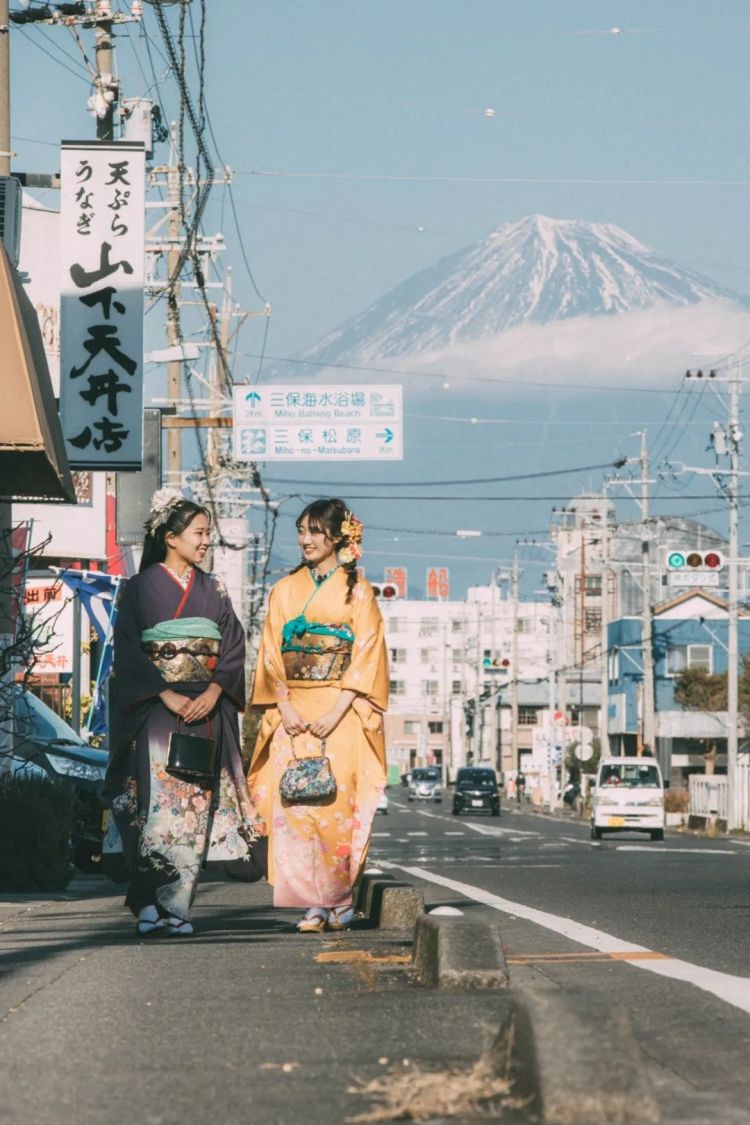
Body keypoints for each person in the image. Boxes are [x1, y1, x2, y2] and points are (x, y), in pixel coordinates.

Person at [106, 488, 266, 937]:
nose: (206, 542)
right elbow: (128, 652)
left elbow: (232, 647)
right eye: (199, 533)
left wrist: (216, 690)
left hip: (206, 710)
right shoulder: (139, 588)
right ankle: (145, 903)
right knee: (157, 806)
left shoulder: (213, 588)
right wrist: (163, 693)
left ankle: (177, 905)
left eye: (208, 534)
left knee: (195, 807)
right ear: (170, 537)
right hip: (157, 711)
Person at [248, 499, 388, 933]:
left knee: (337, 803)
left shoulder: (358, 592)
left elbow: (367, 653)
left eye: (315, 532)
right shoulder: (284, 590)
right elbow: (272, 651)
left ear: (338, 538)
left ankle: (339, 898)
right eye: (302, 531)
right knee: (294, 806)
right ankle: (311, 903)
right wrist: (284, 705)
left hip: (341, 709)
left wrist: (340, 707)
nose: (305, 540)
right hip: (293, 707)